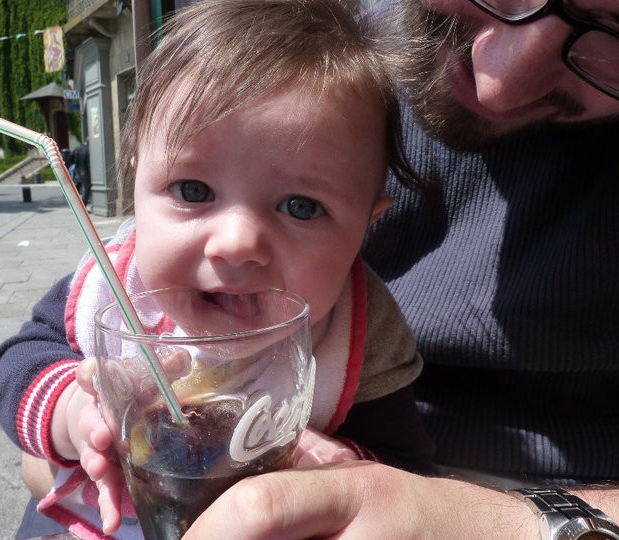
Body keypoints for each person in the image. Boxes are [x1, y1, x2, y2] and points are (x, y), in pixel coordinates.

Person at [0, 0, 436, 537]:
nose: (237, 244)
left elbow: (406, 468)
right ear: (136, 180)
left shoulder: (360, 332)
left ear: (367, 225)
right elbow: (19, 363)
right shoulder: (113, 288)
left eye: (301, 207)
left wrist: (343, 468)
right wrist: (72, 415)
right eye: (193, 191)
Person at [183, 0, 619, 538]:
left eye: (613, 30)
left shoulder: (372, 337)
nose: (498, 85)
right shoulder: (301, 54)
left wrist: (522, 525)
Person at [72, 139, 91, 206]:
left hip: (77, 171)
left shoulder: (77, 148)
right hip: (86, 172)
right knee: (86, 189)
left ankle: (78, 203)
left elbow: (71, 159)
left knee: (80, 188)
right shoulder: (88, 150)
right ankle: (82, 206)